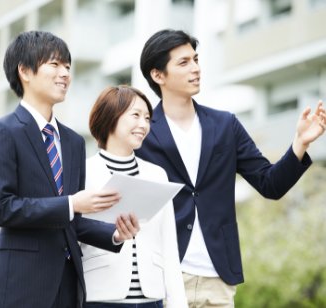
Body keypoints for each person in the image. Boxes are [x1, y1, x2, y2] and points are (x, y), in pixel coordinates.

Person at [135, 29, 326, 308]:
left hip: (219, 277)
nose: (196, 69)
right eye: (184, 62)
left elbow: (269, 184)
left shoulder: (225, 125)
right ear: (158, 75)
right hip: (164, 275)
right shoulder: (142, 132)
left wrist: (300, 143)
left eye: (196, 59)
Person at [0, 31, 139, 308]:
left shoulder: (74, 141)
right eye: (55, 64)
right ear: (25, 71)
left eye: (68, 66)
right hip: (19, 285)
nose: (65, 73)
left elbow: (71, 220)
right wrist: (71, 203)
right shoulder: (1, 132)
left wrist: (113, 234)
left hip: (67, 287)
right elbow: (1, 208)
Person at [80, 85, 188, 308]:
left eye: (147, 118)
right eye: (136, 115)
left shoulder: (157, 174)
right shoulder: (82, 172)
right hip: (100, 298)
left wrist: (178, 304)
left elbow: (168, 245)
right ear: (110, 117)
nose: (143, 124)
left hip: (152, 300)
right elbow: (72, 233)